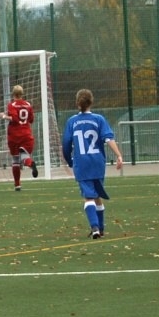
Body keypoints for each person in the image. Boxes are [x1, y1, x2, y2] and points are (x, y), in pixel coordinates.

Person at [62, 89, 123, 239]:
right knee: (97, 195)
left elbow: (66, 144)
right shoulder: (99, 119)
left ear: (77, 103)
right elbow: (108, 138)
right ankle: (100, 228)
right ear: (91, 102)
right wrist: (118, 155)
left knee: (88, 197)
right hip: (98, 162)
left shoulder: (72, 121)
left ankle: (95, 227)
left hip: (82, 163)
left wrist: (69, 160)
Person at [0, 85, 39, 191]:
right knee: (24, 156)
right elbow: (31, 120)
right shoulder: (28, 105)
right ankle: (30, 163)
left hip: (14, 135)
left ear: (13, 94)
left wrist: (4, 116)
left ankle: (17, 184)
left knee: (16, 159)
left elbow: (15, 119)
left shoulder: (12, 105)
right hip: (27, 134)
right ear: (22, 94)